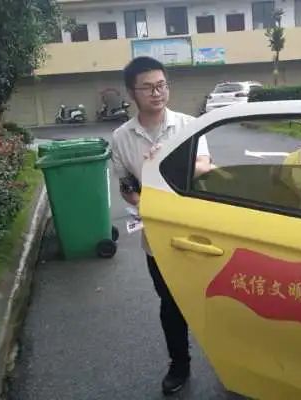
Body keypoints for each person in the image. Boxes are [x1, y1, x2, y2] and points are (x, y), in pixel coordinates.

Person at [110, 56, 212, 395]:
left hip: (199, 233)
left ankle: (233, 361)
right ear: (132, 93)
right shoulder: (121, 137)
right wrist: (139, 200)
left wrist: (163, 165)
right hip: (158, 237)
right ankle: (179, 364)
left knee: (214, 299)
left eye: (162, 85)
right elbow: (126, 183)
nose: (157, 93)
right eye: (148, 87)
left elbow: (205, 165)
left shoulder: (189, 125)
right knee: (170, 303)